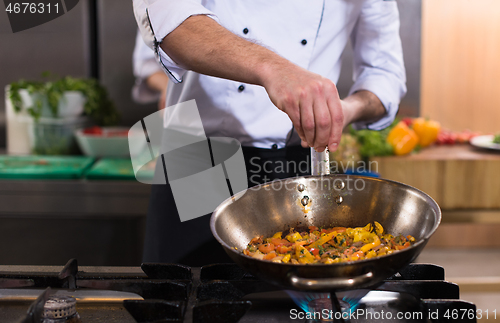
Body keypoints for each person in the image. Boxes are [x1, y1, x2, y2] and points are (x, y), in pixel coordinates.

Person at [132, 0, 407, 265]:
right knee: (181, 293)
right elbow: (168, 15)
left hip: (299, 159)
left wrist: (346, 109)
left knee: (289, 303)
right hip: (199, 156)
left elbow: (385, 73)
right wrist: (273, 68)